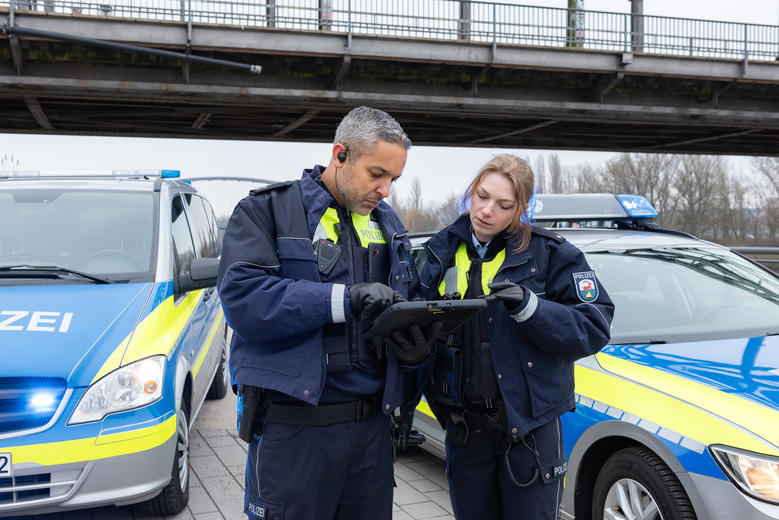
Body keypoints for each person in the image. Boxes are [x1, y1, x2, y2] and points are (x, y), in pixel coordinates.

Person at [217, 106, 438, 520]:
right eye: (377, 174)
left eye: (394, 179)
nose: (386, 190)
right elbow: (245, 301)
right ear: (340, 155)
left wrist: (414, 350)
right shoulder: (268, 212)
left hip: (372, 433)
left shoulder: (390, 227)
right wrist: (344, 299)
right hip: (295, 431)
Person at [418, 154, 615, 520]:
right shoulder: (437, 252)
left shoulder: (552, 255)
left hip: (529, 437)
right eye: (481, 196)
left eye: (503, 204)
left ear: (520, 209)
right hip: (465, 434)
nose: (486, 210)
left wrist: (532, 309)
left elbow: (594, 326)